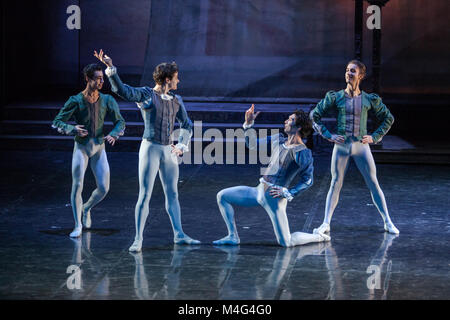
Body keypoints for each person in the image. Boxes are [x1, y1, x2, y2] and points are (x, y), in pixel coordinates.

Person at [94, 49, 200, 252]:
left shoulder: (176, 100)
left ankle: (179, 234)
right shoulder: (146, 95)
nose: (179, 82)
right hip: (150, 148)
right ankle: (138, 238)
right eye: (176, 78)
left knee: (173, 194)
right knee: (145, 195)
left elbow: (186, 125)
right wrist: (110, 68)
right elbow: (123, 91)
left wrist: (181, 145)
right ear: (167, 79)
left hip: (168, 151)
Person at [213, 105, 330, 247]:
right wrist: (248, 125)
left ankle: (319, 237)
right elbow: (252, 145)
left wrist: (288, 192)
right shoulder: (279, 140)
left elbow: (308, 180)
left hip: (274, 198)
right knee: (222, 196)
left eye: (291, 119)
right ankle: (232, 236)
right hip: (258, 191)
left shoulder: (301, 151)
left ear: (298, 127)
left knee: (286, 242)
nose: (286, 121)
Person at [310, 59, 399, 235]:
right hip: (342, 146)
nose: (348, 73)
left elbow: (388, 118)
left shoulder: (368, 99)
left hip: (361, 146)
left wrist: (374, 137)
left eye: (352, 71)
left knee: (373, 183)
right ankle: (326, 223)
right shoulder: (336, 97)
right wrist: (329, 135)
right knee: (335, 183)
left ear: (361, 75)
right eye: (347, 70)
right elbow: (315, 115)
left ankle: (387, 221)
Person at [52, 63, 126, 238]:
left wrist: (114, 134)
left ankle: (86, 208)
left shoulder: (107, 100)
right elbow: (57, 121)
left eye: (102, 78)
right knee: (77, 185)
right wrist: (72, 129)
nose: (101, 81)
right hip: (82, 148)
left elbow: (120, 121)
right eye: (97, 78)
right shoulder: (76, 100)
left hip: (99, 147)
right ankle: (78, 224)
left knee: (104, 188)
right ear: (87, 79)